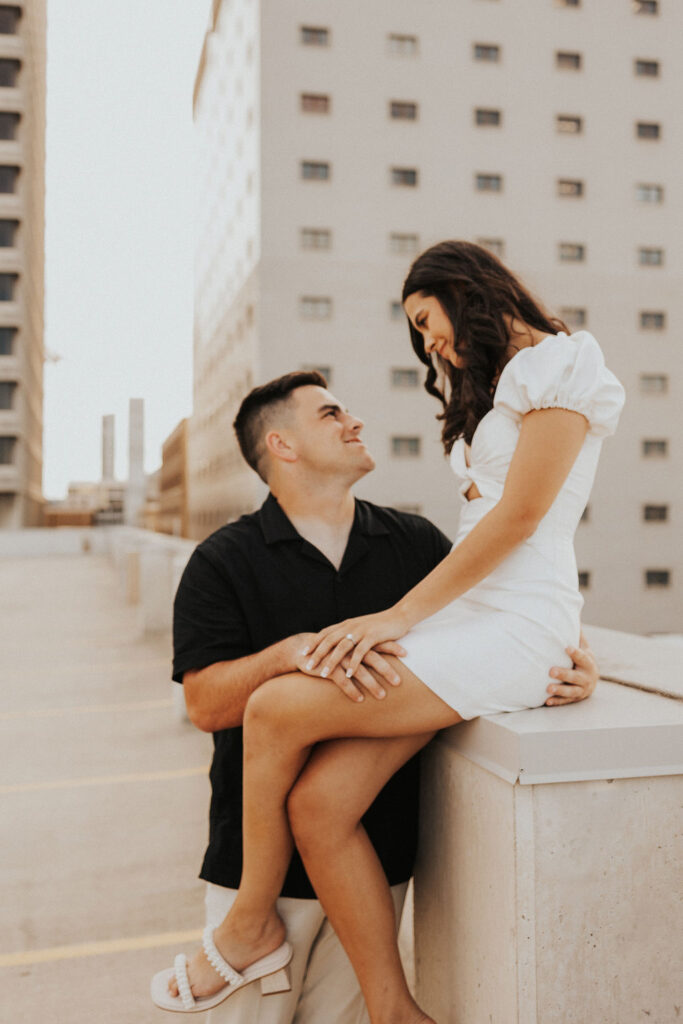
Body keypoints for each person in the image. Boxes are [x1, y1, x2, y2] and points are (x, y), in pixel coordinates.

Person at [152, 240, 620, 1024]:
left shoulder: (562, 365)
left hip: (514, 625)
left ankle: (248, 926)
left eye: (425, 321)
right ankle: (393, 1009)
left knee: (274, 710)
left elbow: (523, 516)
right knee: (320, 804)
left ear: (464, 288)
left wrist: (407, 618)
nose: (429, 343)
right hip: (469, 621)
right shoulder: (498, 390)